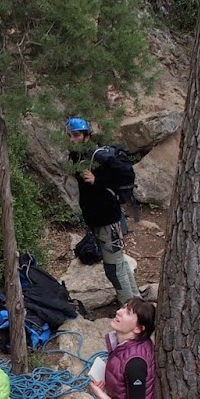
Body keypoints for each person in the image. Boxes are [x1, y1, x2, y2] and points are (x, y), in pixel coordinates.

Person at [67, 117, 140, 304]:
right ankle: (136, 301)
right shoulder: (78, 156)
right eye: (69, 135)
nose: (72, 139)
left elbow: (115, 182)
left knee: (114, 268)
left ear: (86, 136)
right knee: (119, 262)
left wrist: (97, 181)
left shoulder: (97, 157)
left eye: (76, 135)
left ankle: (130, 309)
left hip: (108, 220)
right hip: (97, 219)